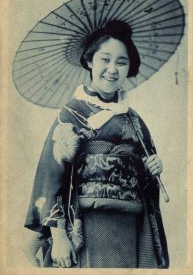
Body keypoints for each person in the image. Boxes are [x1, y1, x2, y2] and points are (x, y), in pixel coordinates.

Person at [24, 20, 169, 268]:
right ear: (90, 61)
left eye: (121, 62)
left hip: (130, 225)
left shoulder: (132, 118)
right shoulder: (73, 113)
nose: (112, 69)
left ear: (129, 68)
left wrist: (153, 167)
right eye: (105, 59)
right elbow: (49, 178)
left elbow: (144, 172)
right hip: (88, 222)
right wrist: (58, 237)